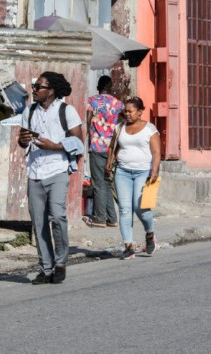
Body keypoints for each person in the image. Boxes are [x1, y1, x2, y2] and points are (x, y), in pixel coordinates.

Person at [18, 72, 83, 285]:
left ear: (51, 91)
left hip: (57, 170)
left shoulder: (67, 111)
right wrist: (23, 139)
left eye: (38, 87)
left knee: (57, 216)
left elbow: (78, 142)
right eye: (34, 86)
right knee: (38, 223)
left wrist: (54, 146)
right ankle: (45, 269)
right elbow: (23, 141)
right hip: (35, 171)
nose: (34, 90)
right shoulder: (29, 111)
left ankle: (61, 262)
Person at [105, 96, 161, 260]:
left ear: (140, 112)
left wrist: (155, 171)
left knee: (140, 207)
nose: (127, 114)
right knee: (124, 209)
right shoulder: (120, 128)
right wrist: (110, 162)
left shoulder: (150, 129)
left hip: (143, 172)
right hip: (122, 172)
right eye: (125, 111)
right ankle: (128, 246)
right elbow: (113, 147)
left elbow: (157, 152)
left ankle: (150, 234)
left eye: (131, 111)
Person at [85, 75, 122, 227]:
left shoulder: (92, 101)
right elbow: (122, 121)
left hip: (96, 146)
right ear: (111, 87)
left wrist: (88, 137)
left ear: (98, 87)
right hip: (112, 147)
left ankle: (100, 218)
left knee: (98, 183)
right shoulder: (117, 103)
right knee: (107, 182)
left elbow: (87, 121)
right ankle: (112, 218)